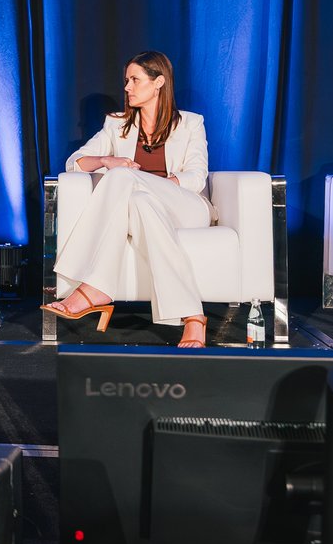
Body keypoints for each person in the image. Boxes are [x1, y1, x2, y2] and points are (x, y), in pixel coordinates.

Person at [41, 50, 214, 346]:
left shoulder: (190, 123)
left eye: (134, 80)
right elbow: (75, 162)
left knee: (123, 177)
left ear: (159, 82)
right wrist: (107, 160)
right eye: (126, 80)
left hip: (186, 206)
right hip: (142, 209)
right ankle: (193, 317)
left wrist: (145, 181)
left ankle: (92, 286)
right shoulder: (116, 123)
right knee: (139, 200)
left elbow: (197, 177)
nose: (127, 87)